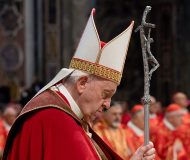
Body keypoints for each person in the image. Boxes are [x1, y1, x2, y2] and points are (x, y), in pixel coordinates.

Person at [2, 9, 155, 160]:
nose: (108, 105)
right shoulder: (57, 120)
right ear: (82, 83)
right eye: (105, 94)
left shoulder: (65, 115)